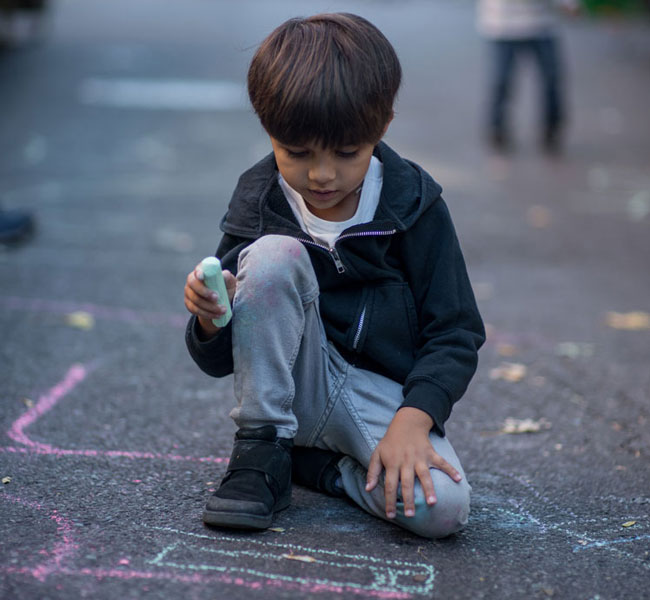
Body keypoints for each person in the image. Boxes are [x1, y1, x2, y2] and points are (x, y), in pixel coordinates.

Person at [183, 13, 485, 538]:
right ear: (269, 129)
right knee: (274, 255)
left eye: (347, 153)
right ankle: (264, 450)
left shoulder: (414, 205)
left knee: (443, 510)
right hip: (289, 389)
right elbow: (218, 362)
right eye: (297, 153)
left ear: (382, 125)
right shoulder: (259, 204)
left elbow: (456, 332)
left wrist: (414, 420)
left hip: (379, 394)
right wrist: (212, 319)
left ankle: (316, 468)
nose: (322, 175)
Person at [477, 0, 580, 153]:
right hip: (502, 23)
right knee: (501, 80)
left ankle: (552, 130)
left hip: (542, 23)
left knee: (551, 79)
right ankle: (496, 129)